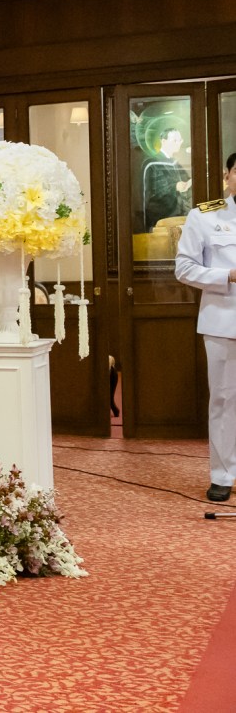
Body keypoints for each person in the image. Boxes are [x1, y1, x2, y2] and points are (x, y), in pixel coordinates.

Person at [173, 153, 236, 503]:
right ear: (227, 176)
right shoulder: (204, 215)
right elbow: (183, 268)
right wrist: (226, 275)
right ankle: (223, 475)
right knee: (225, 400)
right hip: (225, 320)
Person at [144, 127, 192, 230]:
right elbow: (151, 193)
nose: (179, 143)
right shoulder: (152, 163)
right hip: (161, 221)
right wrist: (174, 187)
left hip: (179, 218)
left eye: (180, 140)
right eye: (175, 140)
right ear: (164, 141)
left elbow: (186, 182)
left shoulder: (175, 163)